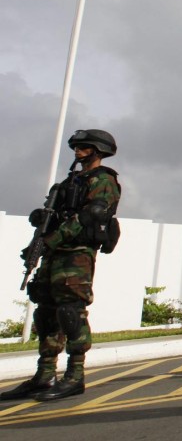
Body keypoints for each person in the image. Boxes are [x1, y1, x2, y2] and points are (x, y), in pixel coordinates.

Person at [1, 130, 121, 402]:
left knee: (71, 310)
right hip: (55, 251)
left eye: (84, 147)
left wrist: (54, 239)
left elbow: (92, 214)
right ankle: (44, 375)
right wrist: (39, 237)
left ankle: (75, 376)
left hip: (76, 252)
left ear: (98, 150)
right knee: (46, 312)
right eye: (76, 147)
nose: (78, 152)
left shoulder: (104, 179)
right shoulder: (69, 182)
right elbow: (52, 216)